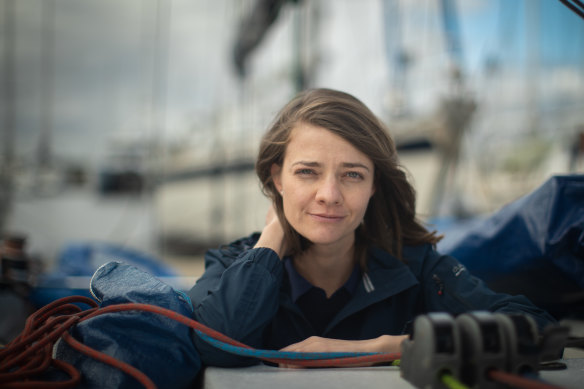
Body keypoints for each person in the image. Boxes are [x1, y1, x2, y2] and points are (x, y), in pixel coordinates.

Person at [187, 88, 556, 367]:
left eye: (352, 175)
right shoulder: (233, 264)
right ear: (277, 178)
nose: (329, 195)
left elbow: (536, 330)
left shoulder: (414, 266)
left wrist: (379, 348)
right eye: (306, 172)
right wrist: (274, 235)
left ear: (374, 185)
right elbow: (211, 346)